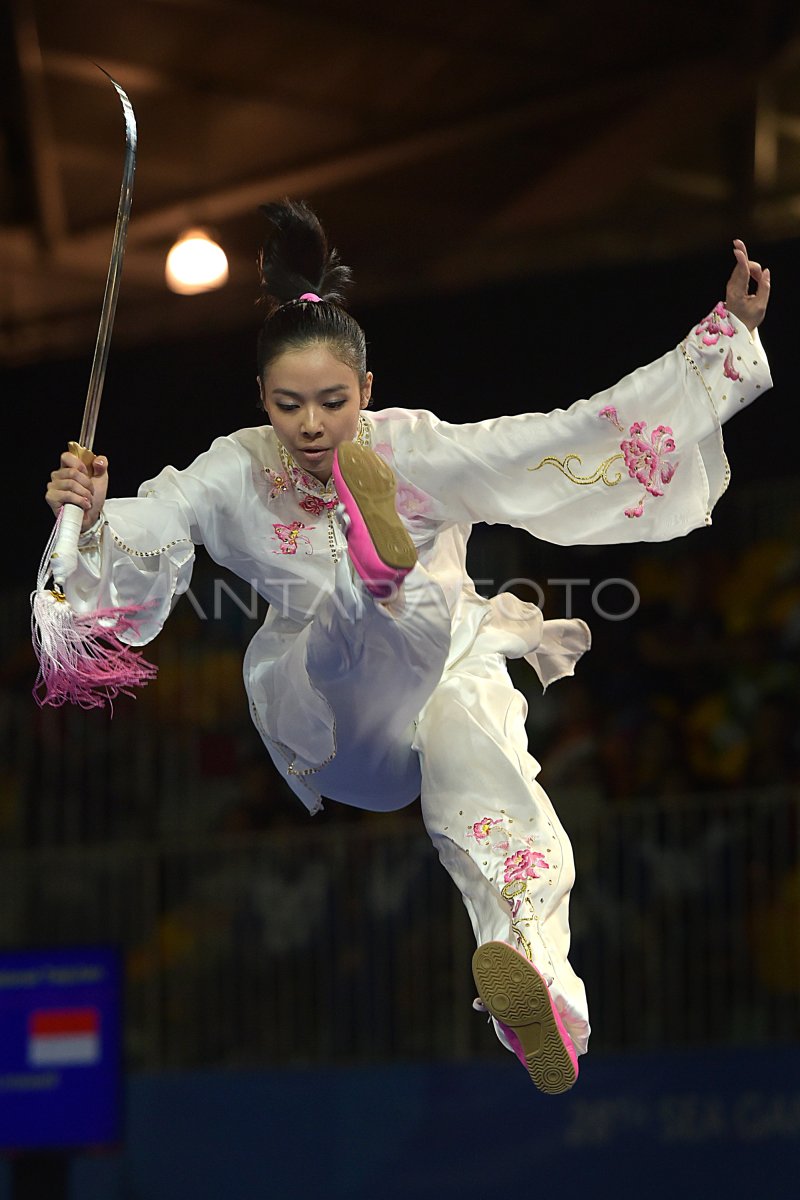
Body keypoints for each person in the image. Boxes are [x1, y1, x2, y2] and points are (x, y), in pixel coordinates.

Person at [45, 201, 772, 1094]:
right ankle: (374, 576)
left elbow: (547, 440)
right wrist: (89, 518)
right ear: (260, 402)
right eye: (287, 405)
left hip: (444, 661)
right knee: (368, 623)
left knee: (499, 789)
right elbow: (163, 520)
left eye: (333, 402)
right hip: (334, 717)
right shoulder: (233, 468)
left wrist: (721, 343)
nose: (311, 425)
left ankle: (534, 984)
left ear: (368, 390)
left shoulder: (413, 447)